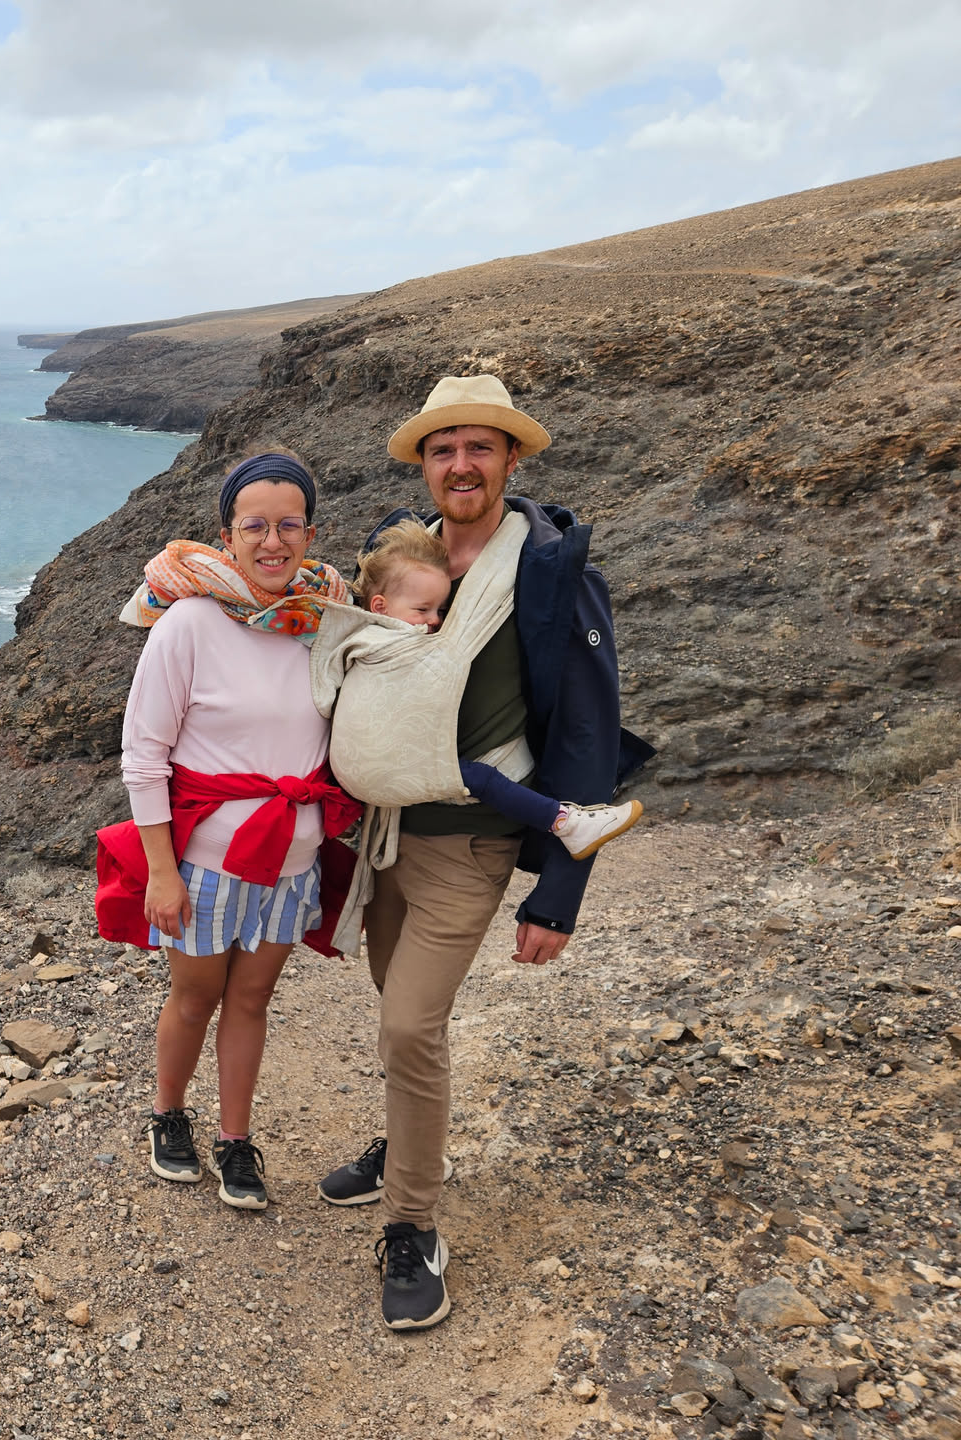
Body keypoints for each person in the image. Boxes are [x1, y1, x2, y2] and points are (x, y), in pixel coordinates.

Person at [317, 374, 653, 1331]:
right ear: (424, 465)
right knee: (398, 1011)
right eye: (443, 448)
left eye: (479, 447)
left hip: (470, 844)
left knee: (409, 1028)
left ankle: (413, 1225)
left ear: (511, 459)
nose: (460, 464)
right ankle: (408, 1142)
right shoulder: (404, 559)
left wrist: (559, 894)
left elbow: (587, 730)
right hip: (386, 841)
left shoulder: (548, 574)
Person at [93, 451, 360, 1211]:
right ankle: (167, 1114)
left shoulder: (325, 625)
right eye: (255, 527)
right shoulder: (189, 624)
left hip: (293, 864)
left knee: (252, 1000)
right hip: (206, 866)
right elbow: (143, 757)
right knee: (195, 997)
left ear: (310, 534)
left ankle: (235, 1139)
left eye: (288, 525)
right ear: (228, 535)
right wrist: (162, 872)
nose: (273, 542)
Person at [353, 516, 641, 860]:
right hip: (398, 759)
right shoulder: (380, 645)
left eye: (440, 609)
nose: (436, 620)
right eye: (423, 609)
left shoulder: (361, 636)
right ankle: (566, 823)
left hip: (394, 763)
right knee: (483, 779)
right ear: (380, 606)